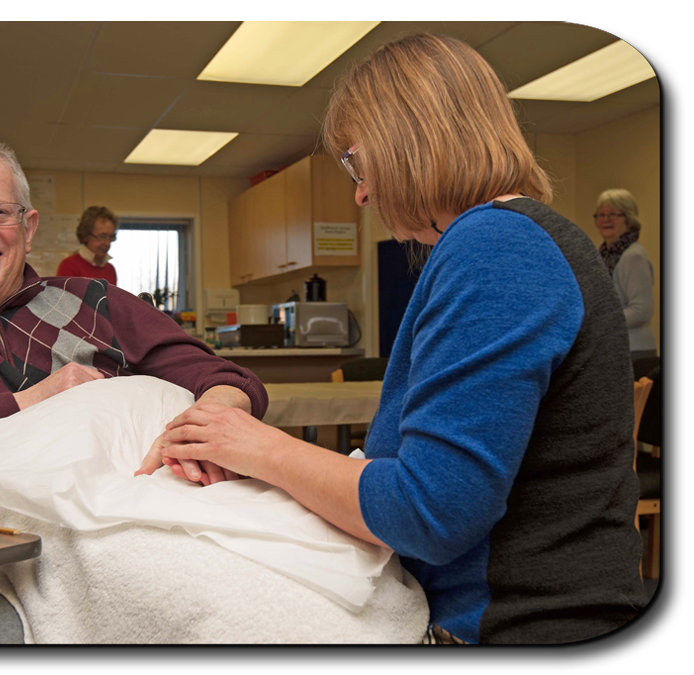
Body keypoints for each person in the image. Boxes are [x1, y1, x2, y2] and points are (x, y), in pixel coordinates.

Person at [137, 33, 647, 644]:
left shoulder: (496, 247)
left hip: (517, 622)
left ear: (408, 140)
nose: (361, 192)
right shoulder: (520, 239)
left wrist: (259, 447)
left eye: (356, 161)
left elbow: (428, 510)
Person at [0, 137, 266, 486]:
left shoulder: (99, 299)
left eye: (0, 211)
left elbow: (228, 379)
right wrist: (29, 402)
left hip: (137, 505)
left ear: (28, 227)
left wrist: (211, 423)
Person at [593, 189, 657, 361]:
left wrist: (600, 320)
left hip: (635, 351)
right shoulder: (605, 254)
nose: (605, 220)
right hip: (616, 347)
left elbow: (642, 310)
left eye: (613, 214)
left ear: (629, 219)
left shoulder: (632, 256)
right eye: (601, 215)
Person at [56, 206, 118, 284]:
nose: (107, 243)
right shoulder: (69, 266)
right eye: (102, 236)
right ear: (86, 236)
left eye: (111, 237)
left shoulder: (110, 269)